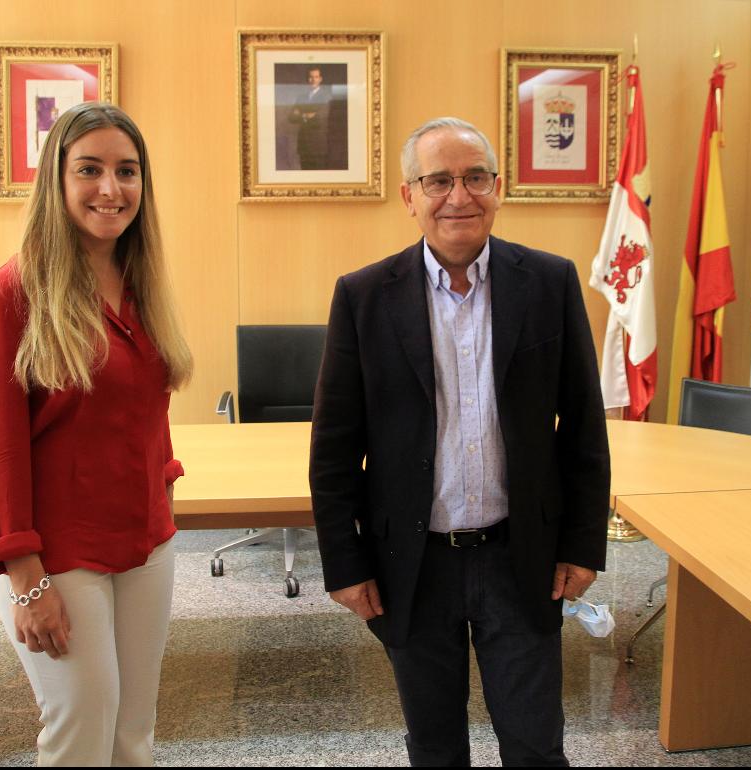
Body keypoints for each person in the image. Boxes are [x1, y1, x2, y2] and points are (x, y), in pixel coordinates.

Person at [309, 117, 610, 767]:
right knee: (435, 748)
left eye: (476, 177)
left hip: (521, 558)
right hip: (412, 564)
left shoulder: (550, 283)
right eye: (438, 181)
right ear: (409, 196)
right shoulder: (363, 296)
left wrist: (583, 545)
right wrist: (345, 563)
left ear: (498, 188)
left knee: (535, 747)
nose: (459, 196)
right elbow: (334, 446)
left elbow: (585, 427)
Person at [0, 101, 193, 767]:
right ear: (56, 181)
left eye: (127, 171)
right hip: (55, 552)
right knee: (81, 723)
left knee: (133, 729)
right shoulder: (12, 294)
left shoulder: (141, 283)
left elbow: (145, 407)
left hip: (144, 537)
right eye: (89, 169)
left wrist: (164, 488)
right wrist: (26, 579)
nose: (110, 188)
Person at [288, 66, 332, 169]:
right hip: (303, 144)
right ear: (308, 79)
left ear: (320, 79)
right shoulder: (301, 97)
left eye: (316, 77)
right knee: (305, 175)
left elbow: (320, 119)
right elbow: (291, 117)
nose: (313, 80)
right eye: (311, 77)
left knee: (319, 175)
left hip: (318, 145)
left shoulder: (326, 96)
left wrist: (300, 114)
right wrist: (307, 115)